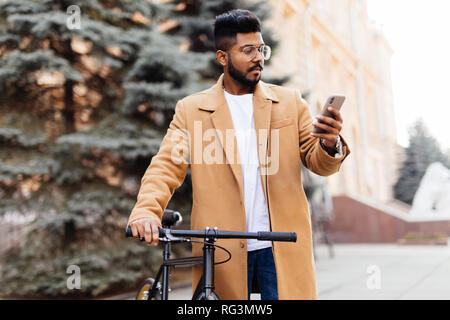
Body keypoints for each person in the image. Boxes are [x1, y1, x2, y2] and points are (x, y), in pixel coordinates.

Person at [127, 9, 350, 300]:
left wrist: (330, 143)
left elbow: (318, 163)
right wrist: (146, 210)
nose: (258, 57)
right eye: (248, 50)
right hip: (222, 248)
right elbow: (167, 165)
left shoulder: (289, 103)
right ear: (223, 57)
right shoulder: (192, 110)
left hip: (281, 244)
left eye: (261, 49)